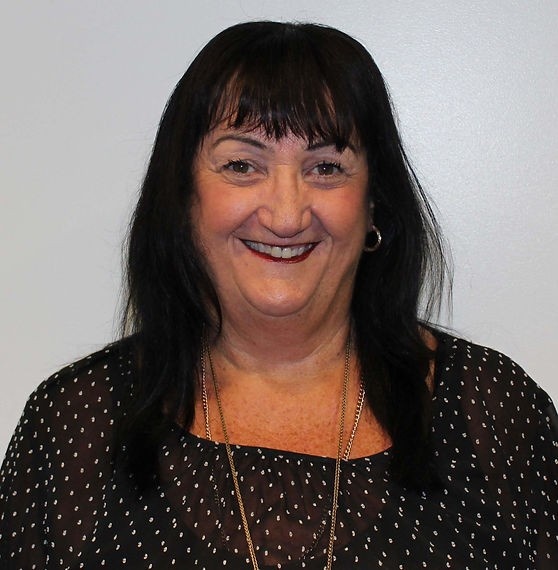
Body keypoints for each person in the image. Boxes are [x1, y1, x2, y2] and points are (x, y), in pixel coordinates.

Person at [1, 20, 556, 570]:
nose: (286, 216)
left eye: (326, 167)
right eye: (242, 165)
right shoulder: (74, 424)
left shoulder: (496, 413)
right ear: (185, 198)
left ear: (373, 204)